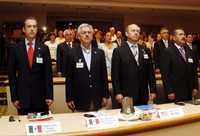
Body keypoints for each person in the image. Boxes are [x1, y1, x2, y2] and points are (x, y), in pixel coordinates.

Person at [8, 17, 53, 115]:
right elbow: (11, 75)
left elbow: (48, 74)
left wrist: (49, 95)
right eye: (29, 26)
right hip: (22, 99)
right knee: (24, 128)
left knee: (40, 126)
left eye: (34, 26)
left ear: (37, 29)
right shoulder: (15, 49)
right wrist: (14, 97)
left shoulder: (44, 48)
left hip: (41, 98)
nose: (32, 29)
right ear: (24, 29)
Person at [65, 23, 109, 111]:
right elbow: (69, 78)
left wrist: (105, 95)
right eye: (84, 32)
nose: (87, 34)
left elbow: (103, 76)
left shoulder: (100, 53)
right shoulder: (71, 53)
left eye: (89, 32)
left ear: (92, 35)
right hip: (79, 98)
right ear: (78, 36)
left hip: (97, 97)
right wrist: (69, 98)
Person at [111, 24, 156, 106]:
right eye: (133, 31)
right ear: (127, 34)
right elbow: (115, 74)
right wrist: (117, 93)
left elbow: (150, 73)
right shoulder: (118, 51)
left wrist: (153, 90)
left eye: (138, 31)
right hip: (126, 94)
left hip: (143, 93)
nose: (136, 33)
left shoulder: (145, 50)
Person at [161, 28, 198, 102]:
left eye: (184, 34)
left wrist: (195, 87)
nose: (183, 36)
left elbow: (193, 71)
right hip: (175, 92)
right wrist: (169, 91)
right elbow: (165, 74)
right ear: (174, 38)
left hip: (189, 90)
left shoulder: (189, 51)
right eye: (180, 34)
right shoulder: (168, 51)